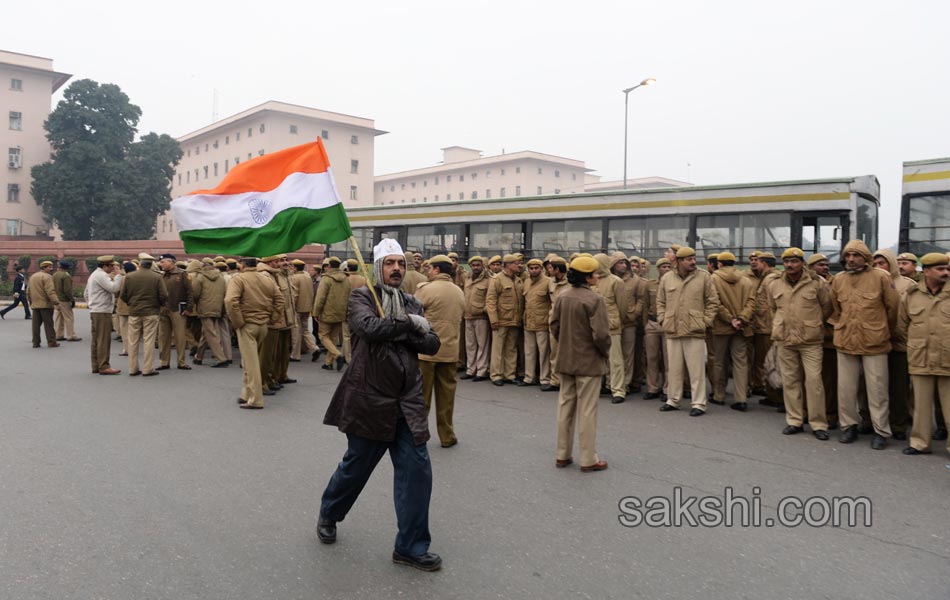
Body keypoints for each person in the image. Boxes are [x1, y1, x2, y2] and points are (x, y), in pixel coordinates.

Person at [318, 238, 443, 572]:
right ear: (378, 267)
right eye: (389, 263)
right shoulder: (362, 297)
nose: (397, 269)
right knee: (355, 468)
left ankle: (410, 547)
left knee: (417, 474)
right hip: (369, 401)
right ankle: (330, 512)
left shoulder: (412, 301)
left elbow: (432, 342)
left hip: (408, 403)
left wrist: (405, 325)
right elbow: (369, 328)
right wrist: (407, 325)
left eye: (401, 263)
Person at [830, 240, 899, 449]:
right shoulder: (838, 279)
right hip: (845, 340)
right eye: (848, 255)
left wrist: (882, 331)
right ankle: (848, 426)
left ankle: (880, 431)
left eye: (856, 255)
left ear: (866, 257)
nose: (851, 259)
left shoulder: (881, 277)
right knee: (846, 389)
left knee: (877, 389)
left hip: (874, 341)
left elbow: (893, 309)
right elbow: (836, 309)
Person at [550, 255, 611, 472]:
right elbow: (602, 335)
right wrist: (605, 354)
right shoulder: (595, 300)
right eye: (594, 273)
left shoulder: (563, 296)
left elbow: (554, 326)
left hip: (566, 360)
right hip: (589, 362)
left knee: (565, 408)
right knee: (587, 411)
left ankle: (562, 454)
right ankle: (588, 459)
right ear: (587, 277)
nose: (597, 276)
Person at [767, 248, 834, 439]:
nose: (789, 265)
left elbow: (827, 306)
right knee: (790, 381)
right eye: (786, 261)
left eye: (794, 261)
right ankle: (794, 420)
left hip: (810, 340)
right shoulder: (775, 284)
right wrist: (781, 325)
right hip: (785, 339)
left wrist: (814, 323)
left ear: (802, 263)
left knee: (814, 381)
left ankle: (818, 423)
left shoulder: (816, 283)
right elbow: (773, 309)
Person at [657, 247, 721, 416]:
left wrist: (704, 321)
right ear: (679, 261)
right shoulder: (667, 278)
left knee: (697, 370)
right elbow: (660, 302)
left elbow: (713, 302)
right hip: (672, 329)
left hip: (695, 329)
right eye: (688, 259)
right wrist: (663, 319)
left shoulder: (703, 277)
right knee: (674, 369)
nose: (693, 261)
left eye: (694, 258)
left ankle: (699, 403)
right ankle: (673, 400)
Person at [898, 253, 950, 455]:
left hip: (947, 357)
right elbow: (902, 325)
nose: (945, 272)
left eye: (946, 268)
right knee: (921, 405)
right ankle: (920, 442)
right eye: (940, 269)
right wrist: (915, 343)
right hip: (921, 357)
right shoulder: (911, 295)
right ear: (926, 271)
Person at [414, 255, 466, 448]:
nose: (427, 271)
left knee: (421, 396)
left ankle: (417, 434)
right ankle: (447, 435)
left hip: (427, 351)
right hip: (450, 351)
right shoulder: (458, 291)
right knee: (446, 398)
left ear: (436, 270)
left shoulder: (425, 290)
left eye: (430, 268)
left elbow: (413, 316)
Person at [226, 257, 284, 409]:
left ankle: (255, 399)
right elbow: (280, 300)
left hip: (247, 324)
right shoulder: (266, 279)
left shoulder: (239, 279)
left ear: (243, 264)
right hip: (263, 325)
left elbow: (230, 301)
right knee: (248, 360)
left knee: (251, 364)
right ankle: (246, 393)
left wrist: (238, 322)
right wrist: (272, 318)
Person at [872, 249, 917, 440]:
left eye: (883, 263)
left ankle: (898, 425)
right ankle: (869, 421)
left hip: (899, 343)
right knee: (873, 387)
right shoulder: (870, 281)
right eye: (876, 264)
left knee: (898, 387)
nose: (879, 267)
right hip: (875, 342)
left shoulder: (909, 285)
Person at [709, 251, 755, 411]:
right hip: (742, 327)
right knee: (740, 362)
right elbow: (751, 303)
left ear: (719, 264)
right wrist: (741, 319)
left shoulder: (713, 278)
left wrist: (730, 320)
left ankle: (718, 395)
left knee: (719, 361)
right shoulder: (746, 280)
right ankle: (741, 398)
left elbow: (715, 303)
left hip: (722, 327)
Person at [121, 253, 168, 377]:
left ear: (140, 264)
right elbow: (164, 295)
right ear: (151, 264)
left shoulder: (129, 276)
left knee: (133, 341)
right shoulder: (157, 277)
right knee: (149, 340)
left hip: (134, 312)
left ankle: (133, 368)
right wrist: (159, 304)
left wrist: (131, 303)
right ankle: (148, 368)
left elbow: (122, 295)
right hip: (151, 312)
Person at [807, 253, 839, 428]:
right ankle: (808, 411)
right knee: (810, 379)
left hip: (828, 338)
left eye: (826, 264)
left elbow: (833, 309)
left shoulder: (836, 283)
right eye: (820, 265)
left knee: (828, 380)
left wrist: (822, 324)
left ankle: (830, 414)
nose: (825, 267)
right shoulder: (808, 283)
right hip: (809, 338)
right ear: (811, 268)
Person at [486, 254, 524, 385]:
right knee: (498, 349)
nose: (519, 265)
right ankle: (496, 375)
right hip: (501, 320)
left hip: (514, 320)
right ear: (508, 265)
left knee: (511, 348)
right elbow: (491, 301)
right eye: (516, 263)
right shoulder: (497, 280)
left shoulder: (518, 280)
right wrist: (493, 319)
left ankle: (510, 374)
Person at [85, 256, 124, 375]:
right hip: (102, 310)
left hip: (96, 310)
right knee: (103, 339)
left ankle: (96, 365)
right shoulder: (101, 275)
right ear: (105, 266)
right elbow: (113, 288)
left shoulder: (94, 275)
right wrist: (119, 276)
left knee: (96, 339)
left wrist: (91, 304)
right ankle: (104, 366)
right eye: (111, 266)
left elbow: (86, 293)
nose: (113, 268)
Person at [157, 254, 194, 371]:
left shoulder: (182, 274)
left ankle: (181, 362)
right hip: (164, 309)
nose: (161, 264)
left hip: (177, 309)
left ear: (171, 262)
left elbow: (190, 292)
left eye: (163, 262)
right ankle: (164, 362)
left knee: (180, 337)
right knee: (163, 337)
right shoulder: (162, 276)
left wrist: (189, 308)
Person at [313, 256, 350, 371]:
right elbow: (348, 296)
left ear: (328, 266)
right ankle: (328, 363)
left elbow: (320, 298)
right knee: (333, 337)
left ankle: (337, 355)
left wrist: (316, 312)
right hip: (340, 313)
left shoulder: (326, 279)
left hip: (327, 312)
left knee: (323, 336)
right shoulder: (345, 278)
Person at [191, 258, 229, 368]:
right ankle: (199, 357)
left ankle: (221, 359)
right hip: (217, 307)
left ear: (203, 266)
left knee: (211, 334)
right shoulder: (220, 277)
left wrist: (195, 304)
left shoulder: (200, 277)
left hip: (204, 307)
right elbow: (225, 292)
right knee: (206, 332)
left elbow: (195, 293)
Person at [522, 258, 553, 388]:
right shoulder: (527, 281)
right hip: (529, 321)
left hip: (542, 322)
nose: (534, 270)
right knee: (529, 351)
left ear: (541, 269)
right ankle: (529, 377)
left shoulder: (548, 282)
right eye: (531, 268)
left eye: (536, 268)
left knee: (544, 353)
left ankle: (544, 379)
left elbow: (552, 302)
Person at [644, 258, 672, 400]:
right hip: (653, 323)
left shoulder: (674, 284)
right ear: (658, 269)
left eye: (669, 266)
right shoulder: (650, 285)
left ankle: (667, 388)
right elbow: (645, 304)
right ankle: (652, 387)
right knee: (652, 357)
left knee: (668, 359)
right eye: (663, 267)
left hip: (668, 323)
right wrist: (646, 323)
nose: (666, 269)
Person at [462, 256, 491, 381]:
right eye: (473, 265)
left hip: (481, 317)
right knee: (470, 345)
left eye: (478, 265)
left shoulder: (488, 280)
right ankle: (470, 370)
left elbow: (490, 299)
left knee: (482, 345)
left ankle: (481, 371)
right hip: (468, 316)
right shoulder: (467, 279)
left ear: (482, 266)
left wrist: (483, 310)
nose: (475, 268)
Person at [27, 260, 61, 348]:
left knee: (35, 325)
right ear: (44, 268)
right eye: (49, 267)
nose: (51, 269)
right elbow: (50, 291)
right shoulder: (47, 277)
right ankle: (51, 342)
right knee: (49, 324)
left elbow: (28, 291)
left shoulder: (33, 276)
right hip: (46, 305)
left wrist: (31, 302)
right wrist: (56, 302)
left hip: (35, 305)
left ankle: (36, 342)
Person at [290, 259, 318, 361]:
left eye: (292, 266)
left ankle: (295, 355)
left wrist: (292, 307)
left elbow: (295, 295)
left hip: (297, 308)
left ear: (295, 268)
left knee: (296, 332)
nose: (291, 268)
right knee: (305, 330)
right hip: (307, 308)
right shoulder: (308, 277)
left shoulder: (294, 278)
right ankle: (315, 348)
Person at [53, 261, 81, 342]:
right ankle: (71, 335)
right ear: (67, 268)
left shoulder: (55, 275)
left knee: (58, 318)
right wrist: (71, 299)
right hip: (64, 300)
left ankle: (58, 335)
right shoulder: (66, 275)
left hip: (56, 299)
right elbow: (67, 290)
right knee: (69, 318)